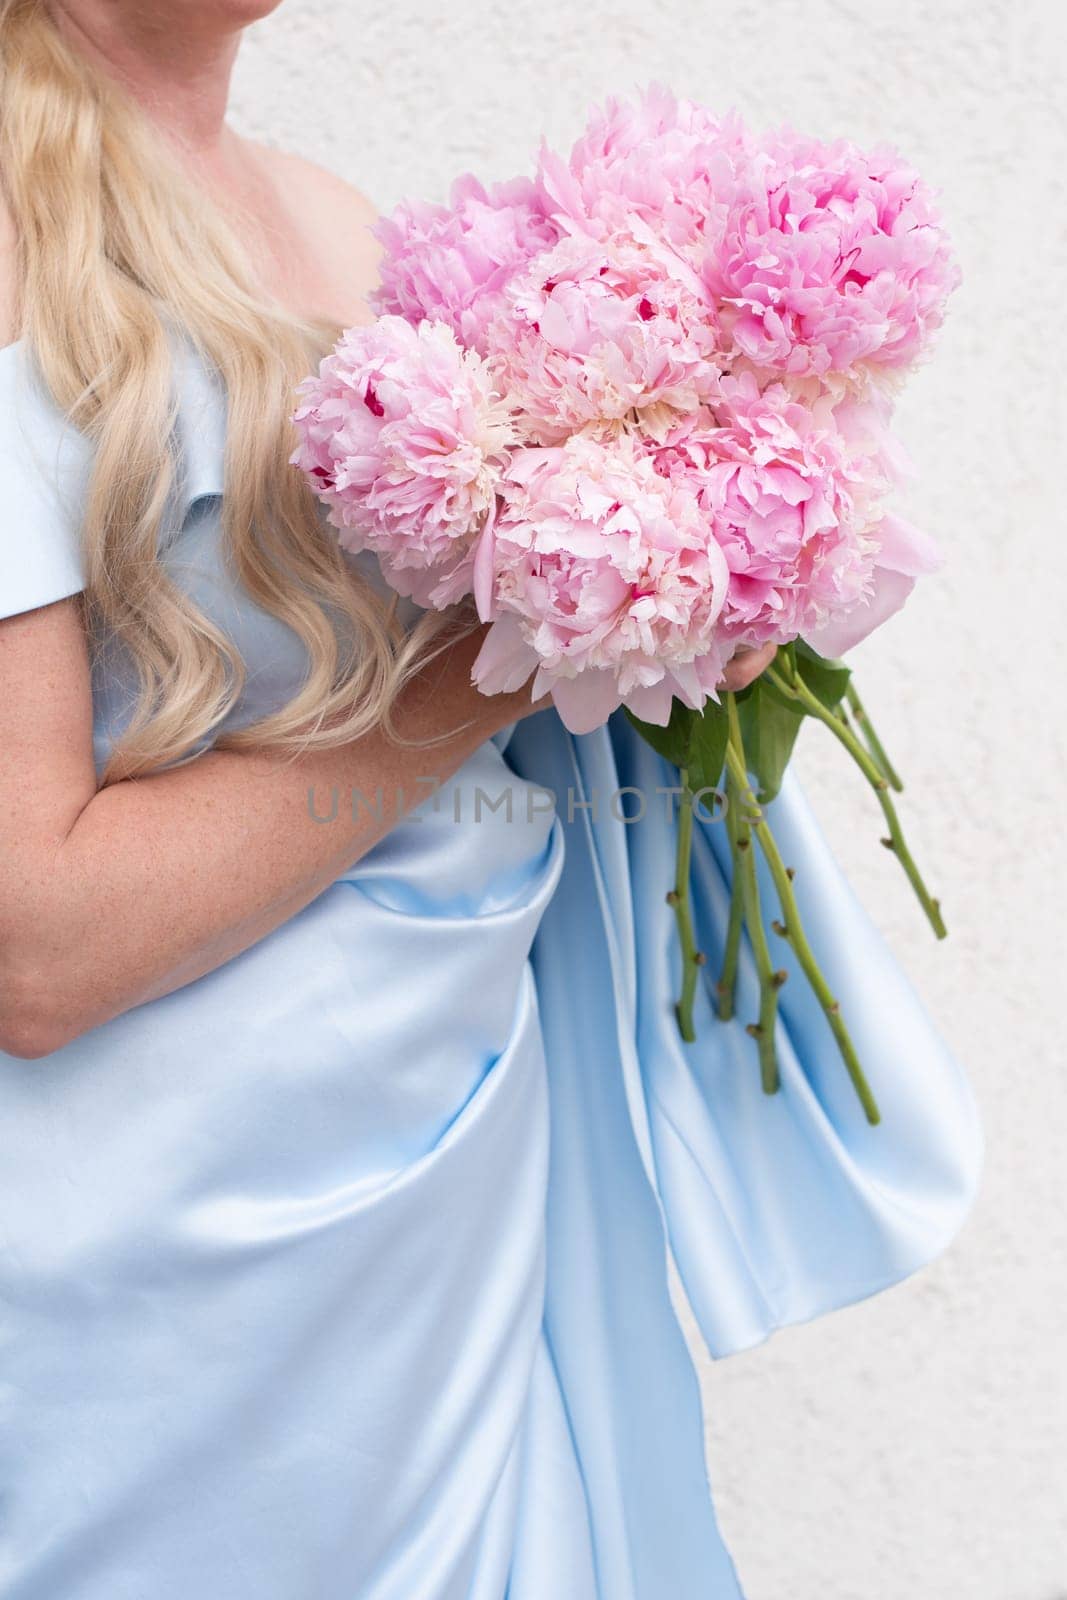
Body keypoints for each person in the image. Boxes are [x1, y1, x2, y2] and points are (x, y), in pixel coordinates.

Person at [0, 4, 982, 1596]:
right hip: (163, 1275)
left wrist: (686, 571)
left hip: (448, 1203)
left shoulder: (327, 218)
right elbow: (30, 948)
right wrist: (520, 655)